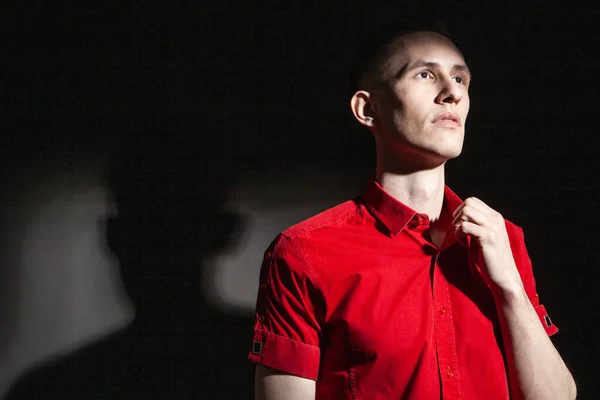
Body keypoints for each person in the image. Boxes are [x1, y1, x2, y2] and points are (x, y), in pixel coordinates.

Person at [248, 20, 577, 400]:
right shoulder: (302, 254)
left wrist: (510, 290)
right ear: (368, 109)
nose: (451, 92)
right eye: (425, 74)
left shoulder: (505, 239)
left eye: (460, 79)